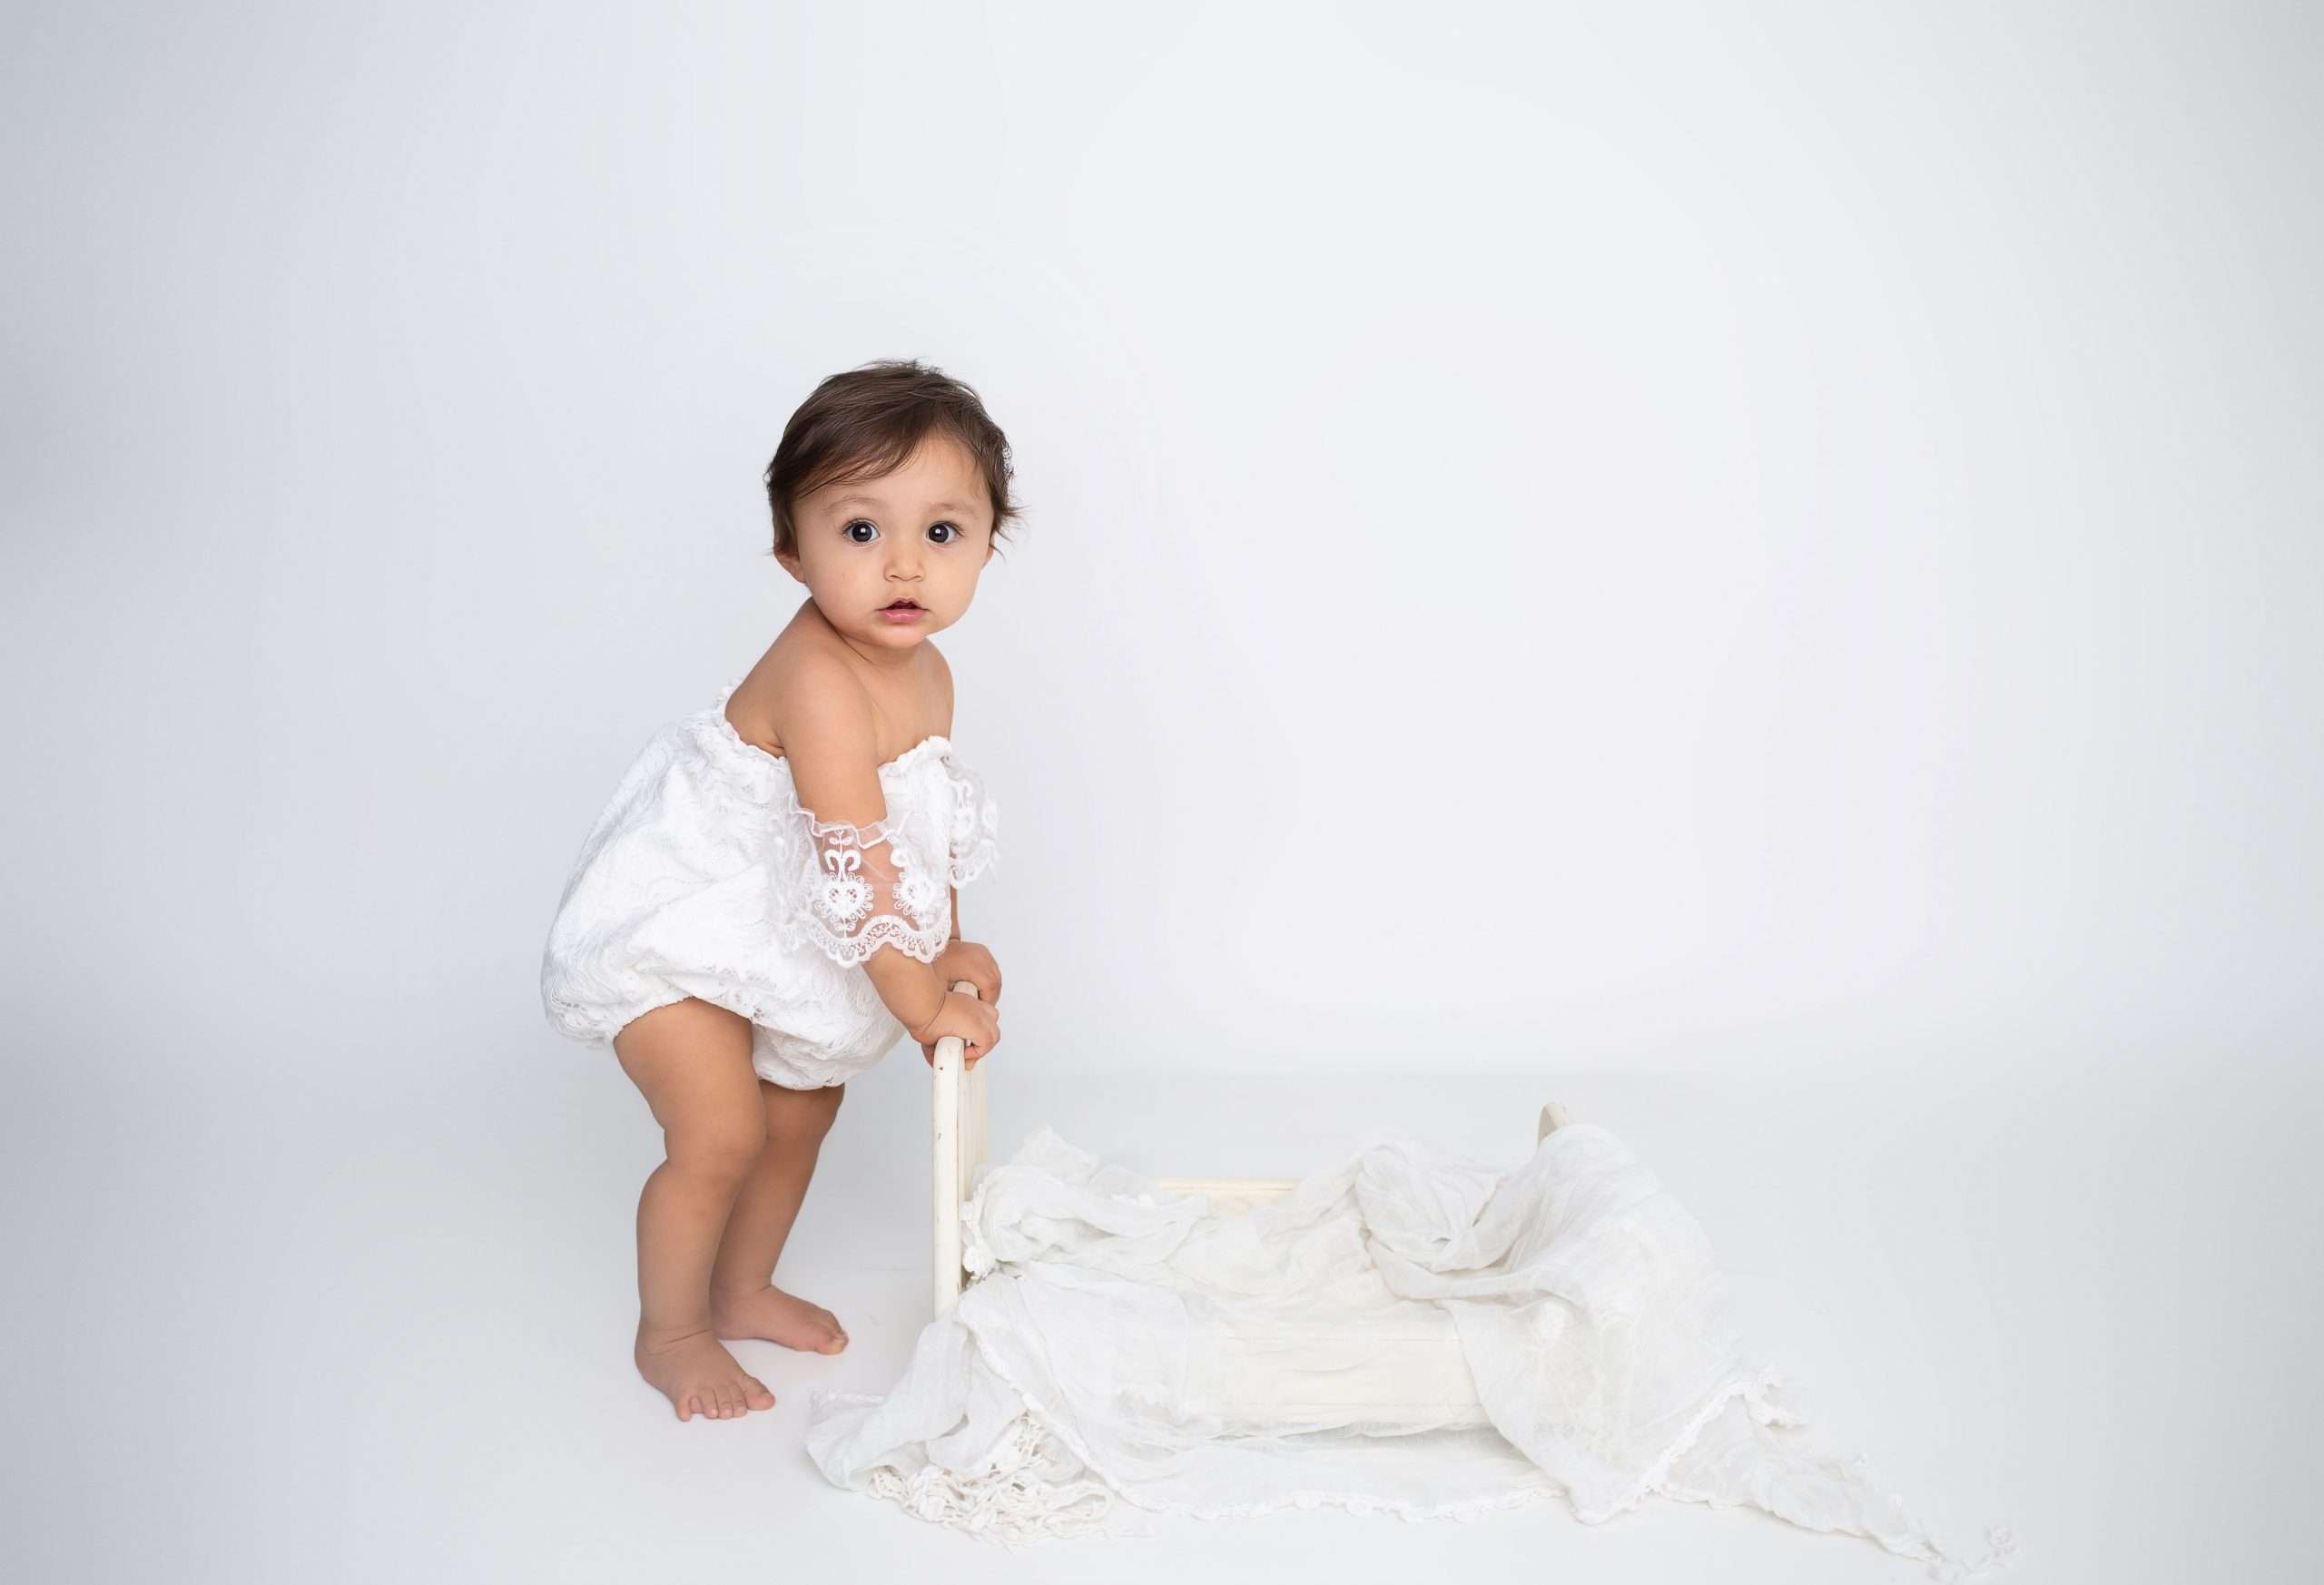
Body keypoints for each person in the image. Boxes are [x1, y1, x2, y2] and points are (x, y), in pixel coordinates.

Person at [539, 359, 1013, 1422]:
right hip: (686, 919)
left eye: (942, 532)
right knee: (721, 1133)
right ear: (791, 549)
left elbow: (916, 833)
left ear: (988, 543)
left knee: (802, 1111)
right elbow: (851, 854)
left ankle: (740, 1288)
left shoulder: (928, 672)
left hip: (785, 921)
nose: (903, 565)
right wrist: (920, 1000)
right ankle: (671, 1333)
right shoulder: (819, 681)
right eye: (860, 531)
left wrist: (946, 944)